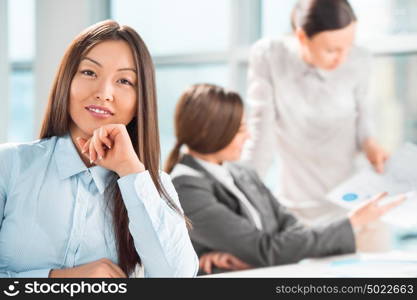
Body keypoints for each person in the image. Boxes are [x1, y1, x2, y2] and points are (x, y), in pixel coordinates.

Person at [0, 20, 198, 278]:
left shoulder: (153, 186)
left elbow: (177, 280)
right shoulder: (10, 164)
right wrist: (59, 280)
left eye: (125, 81)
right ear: (66, 81)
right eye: (89, 73)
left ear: (141, 100)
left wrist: (130, 172)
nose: (104, 93)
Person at [165, 84, 404, 274]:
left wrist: (261, 257)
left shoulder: (241, 172)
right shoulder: (185, 188)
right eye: (239, 130)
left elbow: (291, 228)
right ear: (210, 131)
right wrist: (351, 223)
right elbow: (264, 248)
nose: (248, 136)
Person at [242, 0, 390, 250]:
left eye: (348, 47)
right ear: (302, 37)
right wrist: (238, 196)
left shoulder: (360, 60)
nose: (342, 58)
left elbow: (365, 124)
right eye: (332, 50)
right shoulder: (269, 56)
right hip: (298, 213)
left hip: (359, 210)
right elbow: (260, 138)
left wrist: (371, 145)